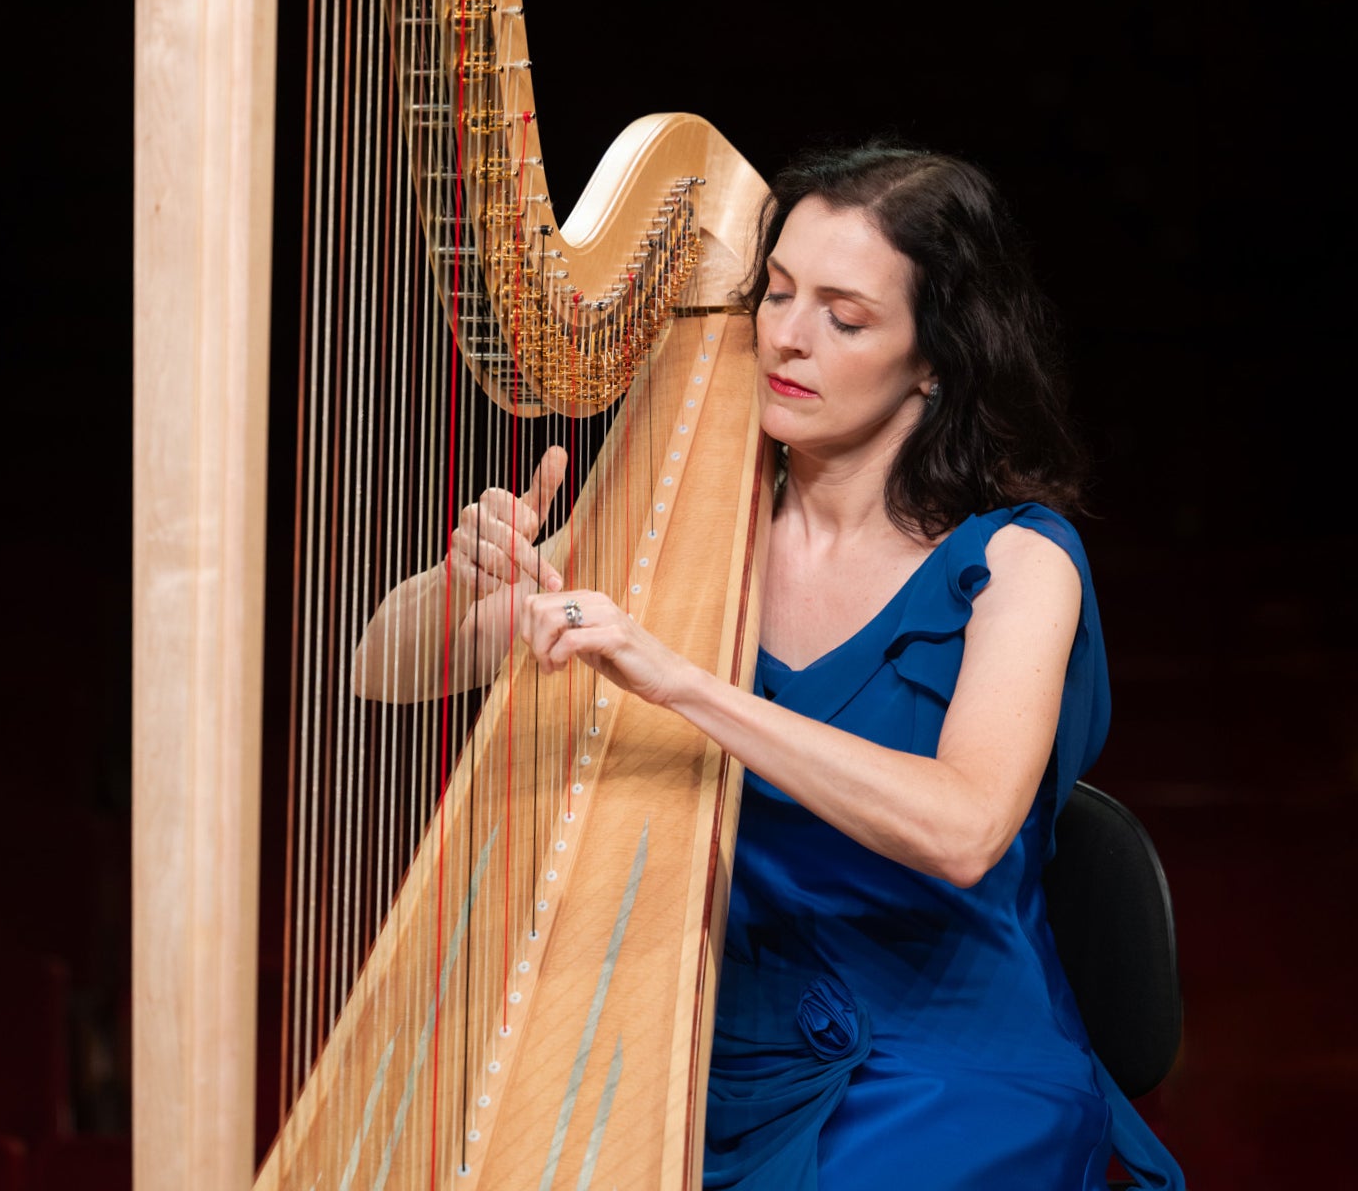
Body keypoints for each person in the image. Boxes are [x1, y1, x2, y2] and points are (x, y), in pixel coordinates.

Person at [361, 144, 1185, 1190]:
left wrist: (684, 685)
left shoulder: (1018, 561)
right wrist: (467, 582)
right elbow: (379, 668)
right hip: (716, 1053)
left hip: (946, 1069)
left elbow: (963, 829)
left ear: (933, 358)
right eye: (778, 293)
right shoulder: (678, 529)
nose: (787, 339)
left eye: (844, 318)